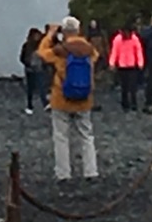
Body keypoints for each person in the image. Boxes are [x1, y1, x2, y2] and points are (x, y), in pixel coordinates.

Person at [35, 17, 100, 182]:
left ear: (63, 32)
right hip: (84, 98)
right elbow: (97, 56)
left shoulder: (60, 50)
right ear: (78, 30)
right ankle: (91, 171)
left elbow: (42, 53)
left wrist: (50, 35)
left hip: (61, 98)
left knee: (61, 136)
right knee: (86, 135)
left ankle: (63, 173)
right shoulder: (89, 50)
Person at [109, 20, 145, 111]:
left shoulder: (134, 39)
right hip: (122, 66)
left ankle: (134, 103)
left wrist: (140, 63)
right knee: (124, 86)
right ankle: (125, 104)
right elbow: (114, 52)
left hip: (132, 65)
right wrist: (112, 63)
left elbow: (138, 51)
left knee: (133, 86)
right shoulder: (117, 39)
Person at [20, 27, 46, 114]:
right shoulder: (36, 46)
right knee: (33, 88)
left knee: (41, 87)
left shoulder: (28, 45)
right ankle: (31, 105)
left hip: (36, 69)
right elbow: (22, 58)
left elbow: (22, 58)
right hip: (32, 69)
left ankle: (44, 104)